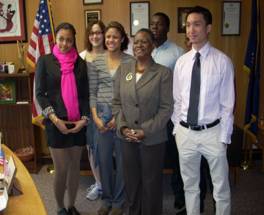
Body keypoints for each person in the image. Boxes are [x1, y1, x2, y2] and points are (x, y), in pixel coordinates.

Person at [172, 6, 235, 215]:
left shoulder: (222, 62)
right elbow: (178, 100)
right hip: (185, 134)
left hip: (213, 134)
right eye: (188, 25)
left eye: (197, 24)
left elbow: (228, 105)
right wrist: (177, 130)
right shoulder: (181, 63)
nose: (191, 29)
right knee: (190, 186)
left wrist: (224, 138)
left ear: (208, 28)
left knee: (221, 188)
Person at [113, 28, 173, 215]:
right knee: (131, 182)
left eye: (144, 41)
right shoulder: (124, 69)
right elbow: (116, 103)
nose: (139, 45)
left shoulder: (163, 73)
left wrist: (145, 130)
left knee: (151, 183)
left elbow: (166, 108)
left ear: (152, 45)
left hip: (152, 139)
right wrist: (122, 127)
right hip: (127, 138)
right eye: (136, 42)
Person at [35, 22, 90, 215]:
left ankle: (71, 205)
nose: (65, 43)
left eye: (69, 39)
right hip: (55, 121)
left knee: (75, 167)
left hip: (77, 123)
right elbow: (40, 94)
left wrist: (83, 120)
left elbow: (85, 95)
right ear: (55, 39)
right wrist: (54, 118)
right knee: (61, 168)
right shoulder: (45, 61)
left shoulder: (81, 64)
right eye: (61, 39)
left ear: (74, 41)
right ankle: (59, 207)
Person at [89, 21, 134, 215]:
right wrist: (96, 119)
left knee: (123, 160)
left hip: (122, 114)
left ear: (122, 38)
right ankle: (106, 199)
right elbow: (92, 92)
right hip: (100, 113)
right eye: (108, 36)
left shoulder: (130, 61)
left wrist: (120, 117)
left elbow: (131, 93)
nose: (110, 40)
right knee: (104, 160)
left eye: (115, 36)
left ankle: (118, 201)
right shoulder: (96, 61)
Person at [150, 12, 186, 215]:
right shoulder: (143, 49)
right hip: (148, 116)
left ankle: (179, 194)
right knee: (152, 155)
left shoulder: (178, 53)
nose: (155, 28)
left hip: (170, 115)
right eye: (152, 24)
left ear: (167, 27)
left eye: (160, 25)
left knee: (175, 157)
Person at [79, 20, 106, 201]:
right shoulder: (81, 57)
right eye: (92, 33)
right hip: (89, 109)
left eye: (98, 32)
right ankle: (99, 184)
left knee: (108, 148)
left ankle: (109, 183)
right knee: (91, 148)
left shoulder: (113, 54)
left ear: (104, 34)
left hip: (108, 108)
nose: (95, 36)